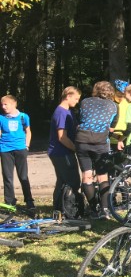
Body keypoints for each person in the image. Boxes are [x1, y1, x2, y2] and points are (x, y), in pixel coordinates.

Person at [74, 81, 118, 219]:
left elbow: (80, 118)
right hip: (100, 142)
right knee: (102, 176)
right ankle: (105, 210)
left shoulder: (85, 102)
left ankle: (93, 209)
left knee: (87, 175)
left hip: (82, 140)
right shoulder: (114, 106)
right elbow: (112, 127)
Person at [48, 86, 84, 217]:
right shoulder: (61, 113)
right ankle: (68, 209)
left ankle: (59, 209)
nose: (77, 101)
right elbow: (62, 137)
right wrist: (76, 148)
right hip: (61, 153)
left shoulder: (69, 111)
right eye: (76, 98)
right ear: (68, 96)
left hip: (65, 152)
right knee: (72, 180)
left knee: (62, 180)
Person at [0, 95, 35, 212]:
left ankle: (29, 201)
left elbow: (28, 131)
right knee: (7, 177)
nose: (3, 107)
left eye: (6, 104)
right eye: (2, 104)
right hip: (5, 150)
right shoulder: (1, 118)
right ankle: (10, 202)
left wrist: (26, 146)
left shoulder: (23, 117)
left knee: (23, 176)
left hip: (20, 149)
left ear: (14, 104)